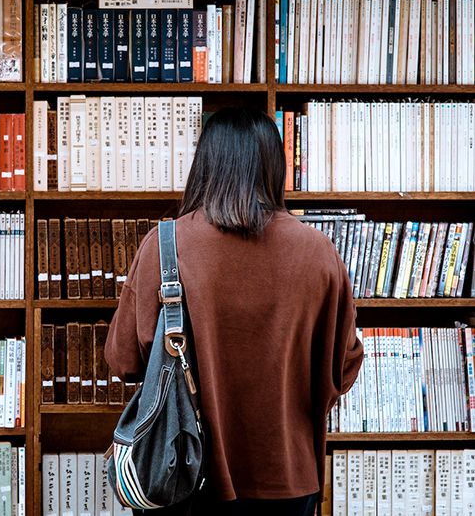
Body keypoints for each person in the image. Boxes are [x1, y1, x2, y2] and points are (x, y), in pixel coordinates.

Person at [104, 107, 363, 516]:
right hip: (290, 477)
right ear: (275, 167)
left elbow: (124, 361)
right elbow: (344, 368)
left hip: (184, 473)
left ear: (204, 164)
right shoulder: (318, 252)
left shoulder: (164, 245)